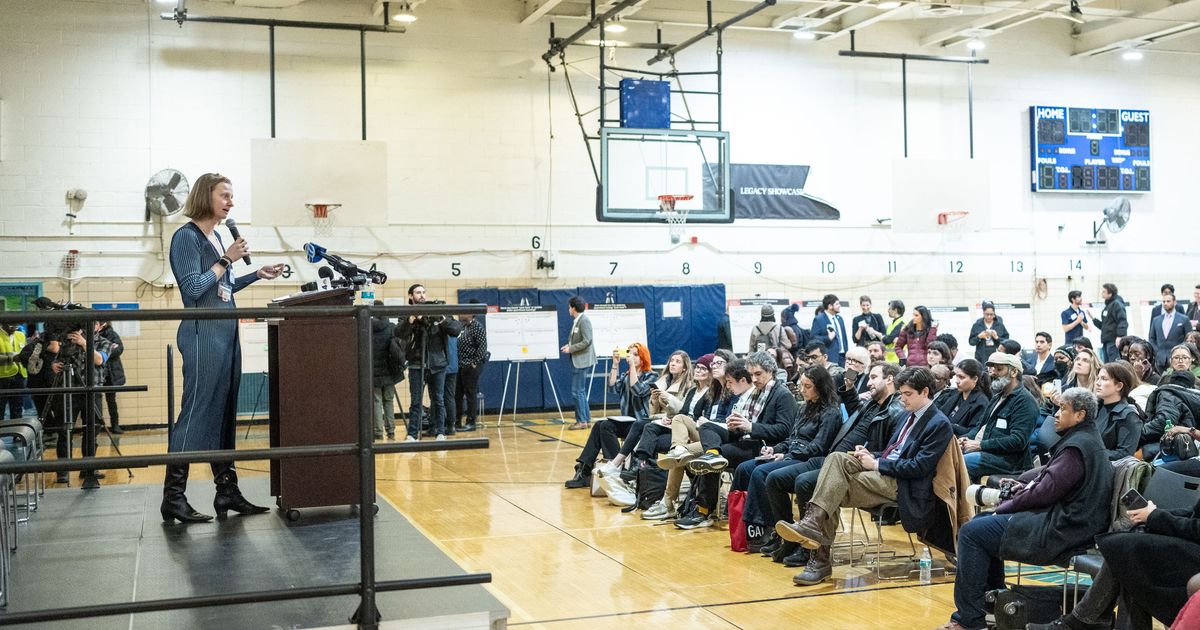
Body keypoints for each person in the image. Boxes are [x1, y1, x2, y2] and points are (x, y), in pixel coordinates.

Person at [937, 387, 1113, 630]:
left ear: (1080, 415)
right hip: (1068, 521)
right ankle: (990, 606)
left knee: (971, 532)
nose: (1056, 415)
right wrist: (1021, 482)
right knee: (978, 527)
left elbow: (1043, 493)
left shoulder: (1077, 447)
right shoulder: (1085, 440)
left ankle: (969, 620)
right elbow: (1048, 475)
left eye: (1063, 409)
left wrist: (1004, 507)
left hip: (1063, 528)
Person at [166, 172, 284, 523]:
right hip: (203, 335)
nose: (231, 202)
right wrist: (228, 259)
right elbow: (193, 289)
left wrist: (255, 274)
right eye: (225, 195)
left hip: (226, 333)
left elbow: (223, 287)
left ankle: (226, 491)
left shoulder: (216, 237)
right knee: (196, 414)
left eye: (232, 196)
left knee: (223, 415)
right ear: (207, 196)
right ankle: (173, 496)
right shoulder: (186, 238)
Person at [776, 366, 953, 585]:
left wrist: (877, 463)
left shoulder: (939, 423)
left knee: (829, 486)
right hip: (885, 472)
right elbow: (894, 451)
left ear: (925, 392)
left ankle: (819, 556)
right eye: (901, 394)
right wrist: (871, 455)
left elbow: (919, 467)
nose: (903, 399)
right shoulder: (910, 415)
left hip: (903, 484)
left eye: (908, 394)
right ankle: (813, 526)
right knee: (837, 458)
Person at [766, 361, 904, 567]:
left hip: (857, 462)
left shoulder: (896, 410)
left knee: (806, 482)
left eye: (874, 378)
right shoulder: (873, 403)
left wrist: (870, 456)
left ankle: (809, 546)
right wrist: (849, 390)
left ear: (890, 379)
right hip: (837, 457)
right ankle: (798, 538)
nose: (868, 383)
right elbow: (858, 414)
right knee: (779, 478)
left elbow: (891, 450)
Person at [677, 352, 797, 530]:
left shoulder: (783, 395)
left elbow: (784, 430)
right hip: (745, 437)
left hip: (766, 447)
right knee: (706, 427)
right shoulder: (756, 392)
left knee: (710, 458)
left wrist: (750, 427)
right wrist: (736, 425)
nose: (754, 379)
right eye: (752, 375)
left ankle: (703, 510)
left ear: (770, 371)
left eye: (758, 374)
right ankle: (712, 454)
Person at [733, 364, 841, 552]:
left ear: (820, 387)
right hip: (793, 454)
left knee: (761, 473)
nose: (802, 390)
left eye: (807, 386)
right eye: (802, 385)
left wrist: (786, 454)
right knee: (746, 467)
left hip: (810, 459)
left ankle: (777, 531)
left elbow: (818, 447)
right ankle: (758, 527)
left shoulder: (831, 412)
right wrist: (774, 448)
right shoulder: (805, 408)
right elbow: (791, 438)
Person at [563, 343, 656, 489]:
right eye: (630, 354)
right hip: (627, 421)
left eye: (636, 354)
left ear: (643, 356)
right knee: (602, 424)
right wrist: (615, 365)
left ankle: (606, 467)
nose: (631, 357)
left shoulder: (651, 375)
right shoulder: (626, 375)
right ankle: (586, 468)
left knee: (604, 425)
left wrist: (632, 367)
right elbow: (612, 387)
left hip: (641, 424)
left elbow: (638, 390)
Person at [397, 283, 462, 442]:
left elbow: (456, 329)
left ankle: (441, 432)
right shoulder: (406, 314)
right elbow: (399, 334)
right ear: (411, 297)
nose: (422, 295)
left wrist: (441, 320)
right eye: (418, 293)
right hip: (416, 363)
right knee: (416, 401)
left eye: (424, 292)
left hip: (438, 363)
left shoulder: (437, 310)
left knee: (438, 400)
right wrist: (411, 320)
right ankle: (412, 434)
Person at [959, 353, 1038, 480]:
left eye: (999, 369)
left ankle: (959, 499)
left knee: (962, 462)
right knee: (947, 454)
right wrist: (966, 439)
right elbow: (980, 427)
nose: (993, 373)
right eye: (992, 369)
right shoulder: (997, 397)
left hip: (1010, 461)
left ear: (1013, 372)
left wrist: (980, 445)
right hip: (988, 453)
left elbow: (1018, 441)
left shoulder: (1025, 401)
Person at [1094, 361, 1144, 460]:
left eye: (1104, 379)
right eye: (1098, 378)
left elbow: (1124, 454)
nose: (1097, 383)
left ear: (1119, 386)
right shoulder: (1096, 407)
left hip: (1108, 469)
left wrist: (1091, 453)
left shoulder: (1129, 416)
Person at [561, 296, 596, 430]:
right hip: (579, 360)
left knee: (577, 392)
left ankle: (581, 421)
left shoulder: (584, 321)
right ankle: (585, 420)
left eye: (569, 307)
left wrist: (571, 348)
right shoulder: (579, 320)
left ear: (573, 308)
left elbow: (587, 341)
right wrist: (569, 345)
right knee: (580, 392)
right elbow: (581, 340)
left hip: (582, 361)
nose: (568, 309)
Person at [455, 298, 487, 432]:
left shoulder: (477, 327)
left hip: (470, 365)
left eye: (464, 312)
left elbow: (483, 347)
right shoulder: (461, 326)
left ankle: (471, 422)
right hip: (459, 364)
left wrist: (474, 363)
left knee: (470, 393)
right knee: (457, 394)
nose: (460, 314)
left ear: (471, 314)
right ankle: (456, 421)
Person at [371, 301, 401, 441]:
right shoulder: (391, 327)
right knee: (388, 401)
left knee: (376, 401)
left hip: (373, 371)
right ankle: (391, 431)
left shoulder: (367, 327)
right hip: (389, 370)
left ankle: (377, 431)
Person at [946, 359, 991, 437]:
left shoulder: (981, 402)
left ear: (975, 379)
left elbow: (973, 432)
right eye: (956, 376)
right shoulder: (954, 394)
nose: (957, 381)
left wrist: (949, 426)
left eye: (961, 377)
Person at [95, 321, 124, 433]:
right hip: (98, 372)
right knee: (96, 398)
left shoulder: (112, 334)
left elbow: (119, 349)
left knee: (111, 400)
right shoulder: (90, 334)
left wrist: (103, 354)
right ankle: (97, 424)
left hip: (110, 372)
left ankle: (115, 424)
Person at [1150, 290, 1191, 369]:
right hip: (1160, 360)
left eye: (1168, 301)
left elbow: (1188, 338)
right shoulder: (1156, 320)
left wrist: (1179, 350)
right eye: (1164, 301)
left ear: (1174, 302)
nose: (1165, 303)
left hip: (1178, 359)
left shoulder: (1184, 319)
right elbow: (1151, 338)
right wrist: (1157, 351)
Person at [811, 295, 849, 367]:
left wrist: (847, 354)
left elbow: (844, 338)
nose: (839, 306)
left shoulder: (840, 318)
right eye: (837, 304)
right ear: (830, 306)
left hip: (843, 357)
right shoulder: (819, 319)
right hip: (830, 357)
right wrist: (828, 338)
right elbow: (813, 338)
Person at [0, 322, 28, 419]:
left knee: (17, 411)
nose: (15, 324)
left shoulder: (21, 335)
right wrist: (12, 358)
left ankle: (17, 434)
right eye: (12, 322)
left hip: (20, 377)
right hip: (2, 378)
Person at [1096, 283, 1128, 363]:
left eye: (1104, 291)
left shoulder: (1117, 304)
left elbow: (1122, 321)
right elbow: (1104, 326)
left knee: (1114, 365)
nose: (1102, 293)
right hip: (1107, 341)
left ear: (1110, 293)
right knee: (1108, 365)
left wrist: (1120, 336)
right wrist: (1094, 319)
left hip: (1113, 341)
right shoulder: (1109, 305)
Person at [882, 300, 907, 364]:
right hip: (889, 359)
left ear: (895, 310)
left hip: (897, 359)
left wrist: (885, 338)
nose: (888, 310)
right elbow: (887, 339)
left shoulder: (902, 323)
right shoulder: (892, 323)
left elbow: (887, 340)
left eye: (889, 308)